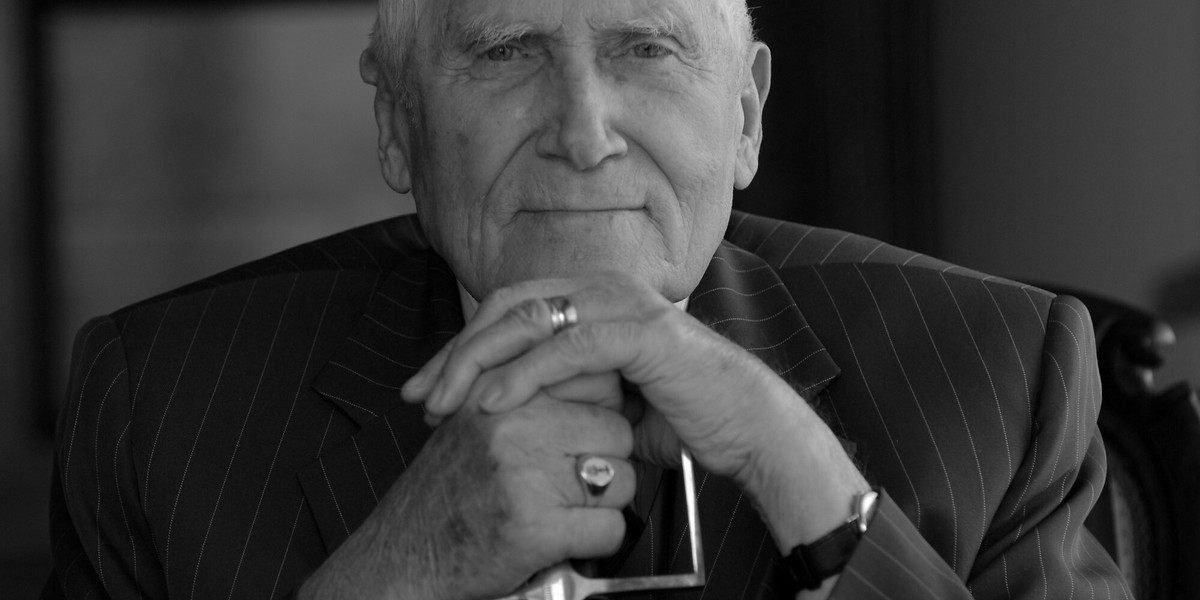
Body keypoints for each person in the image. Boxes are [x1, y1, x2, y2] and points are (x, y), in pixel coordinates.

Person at [45, 0, 1132, 598]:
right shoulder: (162, 403)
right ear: (398, 126)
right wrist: (396, 575)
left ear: (746, 116)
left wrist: (795, 468)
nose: (582, 131)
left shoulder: (996, 372)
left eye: (646, 49)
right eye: (507, 52)